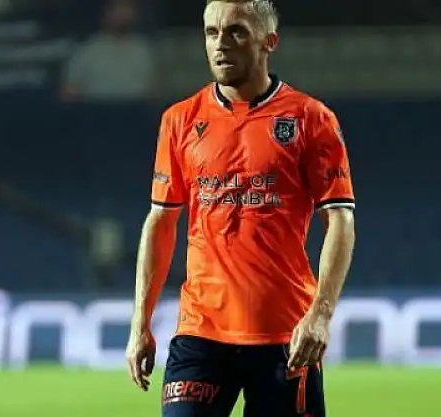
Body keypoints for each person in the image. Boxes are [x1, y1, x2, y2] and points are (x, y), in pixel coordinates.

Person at [126, 0, 356, 416]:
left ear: (269, 42)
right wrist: (140, 323)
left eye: (236, 32)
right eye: (211, 32)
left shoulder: (311, 119)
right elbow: (161, 221)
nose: (221, 44)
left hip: (284, 334)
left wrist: (321, 315)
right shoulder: (179, 120)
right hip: (200, 331)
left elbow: (339, 219)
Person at [60, 0, 154, 101]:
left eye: (128, 10)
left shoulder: (144, 49)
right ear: (106, 14)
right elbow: (69, 90)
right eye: (118, 10)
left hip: (136, 105)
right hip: (95, 105)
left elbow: (154, 89)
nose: (123, 15)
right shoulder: (87, 49)